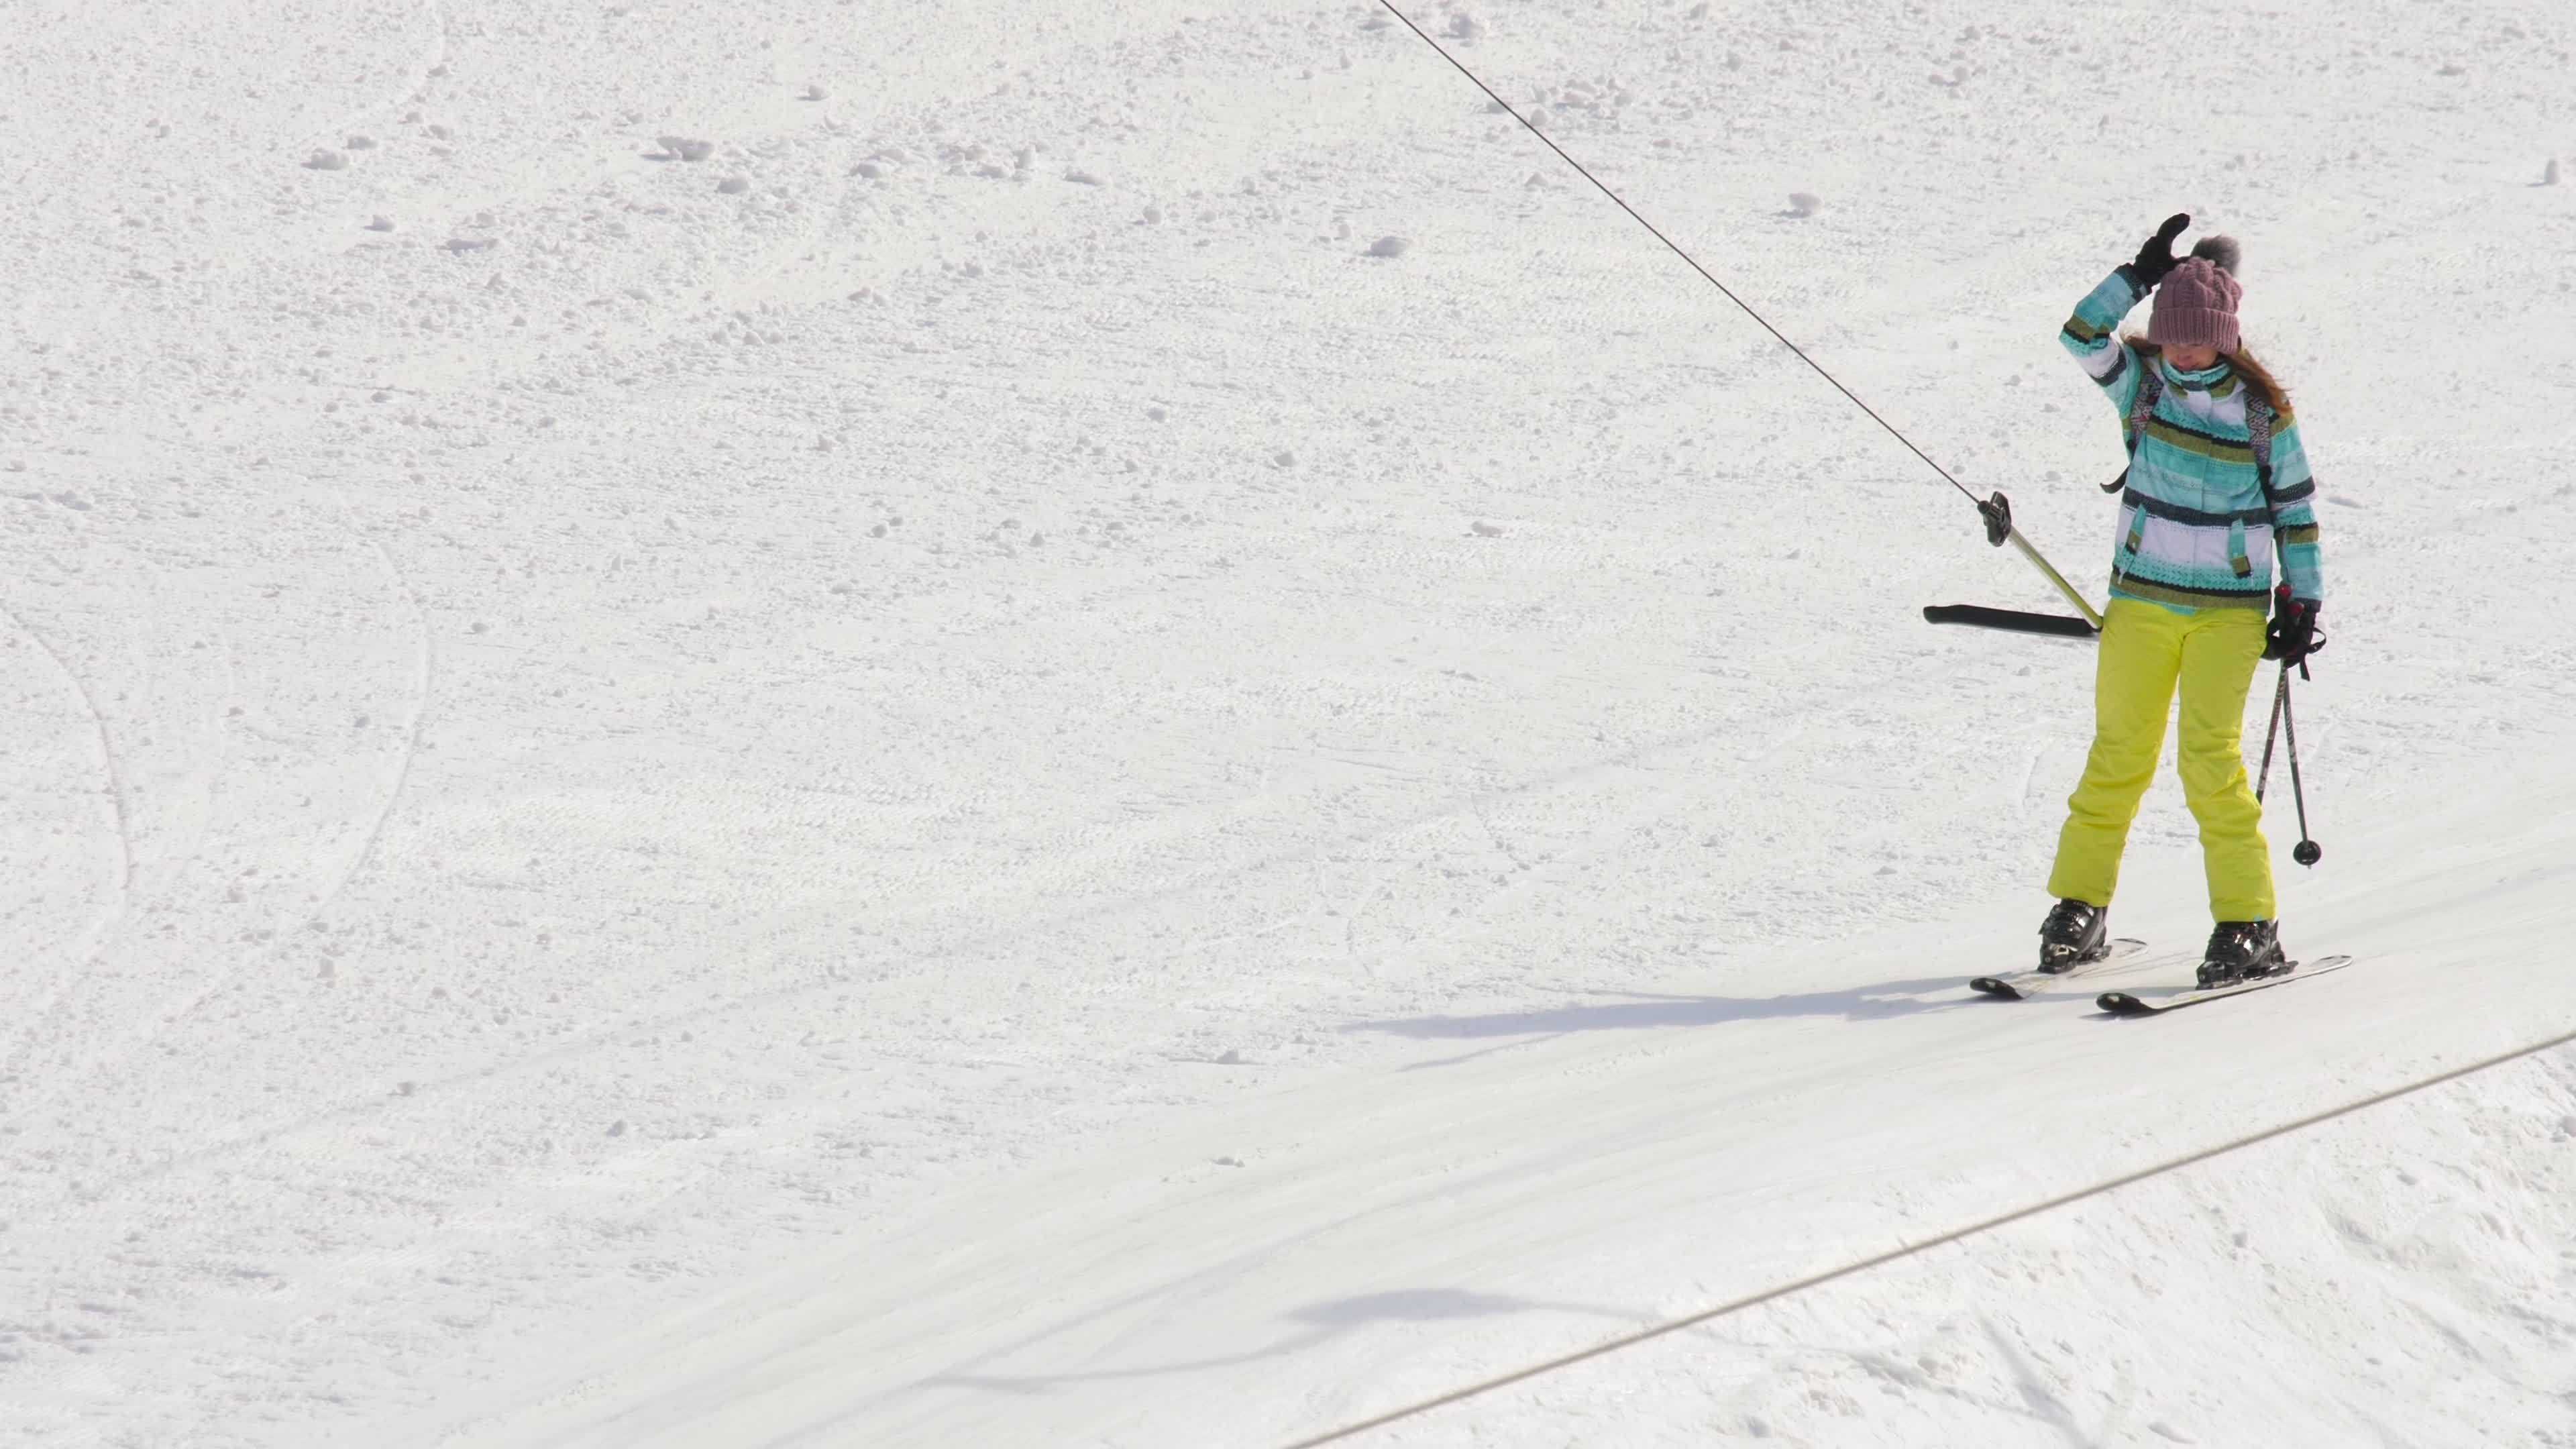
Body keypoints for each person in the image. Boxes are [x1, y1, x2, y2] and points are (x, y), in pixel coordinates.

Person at [2036, 213, 2326, 987]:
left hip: (2227, 615)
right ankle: (2079, 908)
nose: (2186, 348)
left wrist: (2302, 604)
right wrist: (2135, 278)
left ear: (2227, 334)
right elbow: (2079, 335)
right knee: (2118, 756)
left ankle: (2247, 922)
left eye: (2199, 336)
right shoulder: (2145, 387)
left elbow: (2295, 512)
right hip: (2143, 603)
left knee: (2210, 764)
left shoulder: (2263, 415)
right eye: (2174, 335)